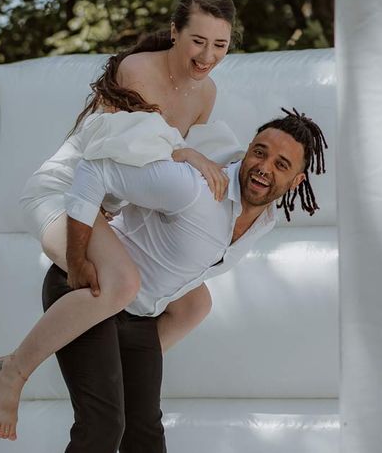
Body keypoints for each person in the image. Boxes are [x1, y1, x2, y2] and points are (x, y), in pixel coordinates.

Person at [0, 0, 240, 440]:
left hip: (110, 210)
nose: (207, 56)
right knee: (122, 282)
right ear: (174, 33)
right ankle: (13, 370)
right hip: (65, 193)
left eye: (219, 45)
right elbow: (123, 154)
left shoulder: (206, 94)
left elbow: (170, 181)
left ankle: (114, 367)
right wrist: (186, 153)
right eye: (197, 41)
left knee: (194, 302)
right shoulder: (137, 69)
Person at [44, 109, 327, 453]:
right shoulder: (197, 188)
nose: (264, 167)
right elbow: (95, 170)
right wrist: (76, 261)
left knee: (145, 433)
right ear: (249, 148)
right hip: (92, 289)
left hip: (139, 317)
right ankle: (9, 373)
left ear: (296, 181)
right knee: (103, 425)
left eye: (282, 164)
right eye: (260, 152)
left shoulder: (263, 222)